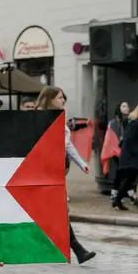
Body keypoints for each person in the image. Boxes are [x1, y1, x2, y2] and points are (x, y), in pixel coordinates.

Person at [36, 86, 96, 264]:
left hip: (57, 170)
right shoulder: (39, 118)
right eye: (60, 97)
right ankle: (77, 249)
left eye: (63, 98)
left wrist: (82, 163)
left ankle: (66, 248)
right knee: (56, 209)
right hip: (42, 171)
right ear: (50, 98)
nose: (63, 100)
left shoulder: (59, 117)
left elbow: (67, 145)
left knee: (55, 210)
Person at [109, 102, 133, 203]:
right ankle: (131, 193)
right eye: (123, 106)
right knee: (123, 172)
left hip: (125, 151)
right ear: (119, 109)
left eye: (127, 106)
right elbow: (112, 138)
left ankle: (114, 193)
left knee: (120, 172)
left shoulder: (130, 121)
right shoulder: (114, 122)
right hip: (116, 151)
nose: (126, 108)